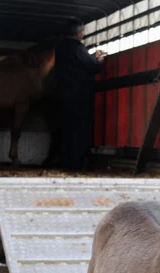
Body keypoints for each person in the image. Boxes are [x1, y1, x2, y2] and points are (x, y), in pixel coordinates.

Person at [54, 17, 105, 171]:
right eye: (82, 31)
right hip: (79, 97)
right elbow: (92, 66)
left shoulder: (60, 48)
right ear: (78, 32)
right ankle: (76, 166)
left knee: (66, 130)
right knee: (80, 130)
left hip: (62, 96)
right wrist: (98, 59)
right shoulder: (77, 47)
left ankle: (65, 163)